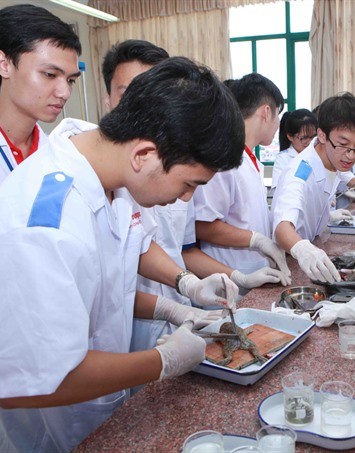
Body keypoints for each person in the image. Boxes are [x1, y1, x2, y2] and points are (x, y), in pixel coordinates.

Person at [0, 57, 245, 452]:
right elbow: (26, 384)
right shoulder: (44, 224)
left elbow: (128, 250)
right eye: (188, 184)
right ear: (145, 155)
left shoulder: (110, 168)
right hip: (40, 434)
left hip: (94, 416)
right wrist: (162, 360)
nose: (187, 198)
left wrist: (185, 289)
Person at [100, 41, 286, 355]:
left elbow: (168, 248)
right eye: (128, 93)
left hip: (179, 313)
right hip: (130, 329)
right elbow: (106, 288)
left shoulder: (172, 165)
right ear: (108, 99)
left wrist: (189, 284)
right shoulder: (105, 180)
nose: (143, 110)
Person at [0, 5, 82, 449]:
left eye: (70, 79)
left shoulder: (61, 157)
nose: (63, 91)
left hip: (54, 356)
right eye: (49, 75)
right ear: (3, 63)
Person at [193, 73, 291, 283]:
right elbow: (203, 224)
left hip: (254, 272)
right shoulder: (223, 159)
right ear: (266, 112)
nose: (278, 125)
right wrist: (256, 240)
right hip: (227, 279)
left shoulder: (248, 156)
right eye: (278, 115)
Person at [271, 92, 355, 283]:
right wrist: (303, 249)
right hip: (292, 263)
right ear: (322, 135)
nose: (351, 155)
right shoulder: (301, 171)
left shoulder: (333, 159)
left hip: (314, 247)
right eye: (343, 145)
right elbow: (282, 227)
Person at [271, 108, 318, 193]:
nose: (310, 142)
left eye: (313, 137)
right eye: (304, 138)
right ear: (290, 136)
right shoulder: (283, 158)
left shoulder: (319, 154)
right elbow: (277, 190)